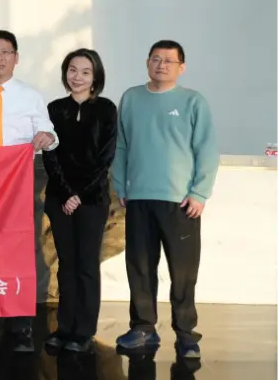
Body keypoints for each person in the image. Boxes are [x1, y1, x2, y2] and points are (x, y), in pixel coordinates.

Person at [112, 40, 218, 359]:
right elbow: (121, 146)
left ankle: (186, 334)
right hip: (139, 198)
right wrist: (120, 185)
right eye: (156, 59)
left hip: (180, 202)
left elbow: (206, 149)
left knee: (183, 271)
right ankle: (143, 327)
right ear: (147, 62)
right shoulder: (131, 98)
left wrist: (199, 193)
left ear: (181, 67)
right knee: (140, 267)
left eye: (169, 61)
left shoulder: (193, 101)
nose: (161, 65)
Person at [0, 29, 58, 351]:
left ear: (16, 58)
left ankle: (21, 326)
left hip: (19, 184)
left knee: (20, 251)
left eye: (5, 52)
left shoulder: (30, 95)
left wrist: (46, 137)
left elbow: (49, 134)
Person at [42, 49, 117, 353]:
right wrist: (65, 192)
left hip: (92, 201)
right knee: (66, 264)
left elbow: (104, 158)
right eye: (73, 70)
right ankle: (65, 328)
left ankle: (84, 331)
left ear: (95, 77)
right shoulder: (54, 109)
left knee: (86, 265)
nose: (78, 77)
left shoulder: (106, 109)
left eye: (85, 72)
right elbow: (50, 154)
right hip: (59, 200)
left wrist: (79, 195)